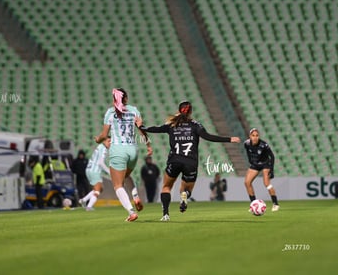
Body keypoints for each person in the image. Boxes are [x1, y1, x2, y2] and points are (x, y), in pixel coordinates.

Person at [136, 101, 240, 221]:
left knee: (166, 187)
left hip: (174, 161)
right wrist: (230, 139)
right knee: (187, 189)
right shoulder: (196, 125)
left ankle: (165, 214)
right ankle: (185, 196)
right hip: (190, 162)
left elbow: (154, 129)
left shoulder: (171, 124)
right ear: (190, 112)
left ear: (179, 111)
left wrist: (140, 126)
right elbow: (208, 137)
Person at [95, 87, 152, 222]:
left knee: (118, 185)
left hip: (118, 150)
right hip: (133, 150)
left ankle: (131, 212)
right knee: (126, 175)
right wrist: (149, 146)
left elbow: (104, 135)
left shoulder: (110, 112)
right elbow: (142, 130)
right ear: (125, 98)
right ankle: (136, 196)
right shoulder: (134, 110)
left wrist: (98, 139)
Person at [244, 128, 280, 211]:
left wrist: (272, 169)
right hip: (255, 164)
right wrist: (251, 161)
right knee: (247, 182)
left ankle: (275, 203)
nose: (255, 137)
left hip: (265, 163)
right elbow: (248, 152)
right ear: (250, 136)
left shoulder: (264, 145)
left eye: (257, 135)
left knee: (266, 183)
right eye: (253, 135)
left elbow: (272, 156)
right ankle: (253, 204)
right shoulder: (246, 143)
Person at [79, 138, 111, 211]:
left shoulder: (100, 146)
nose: (110, 143)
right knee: (97, 191)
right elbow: (101, 163)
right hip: (94, 171)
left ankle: (83, 200)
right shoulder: (103, 149)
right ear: (104, 141)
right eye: (109, 141)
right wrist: (109, 171)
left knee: (101, 188)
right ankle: (89, 207)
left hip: (89, 170)